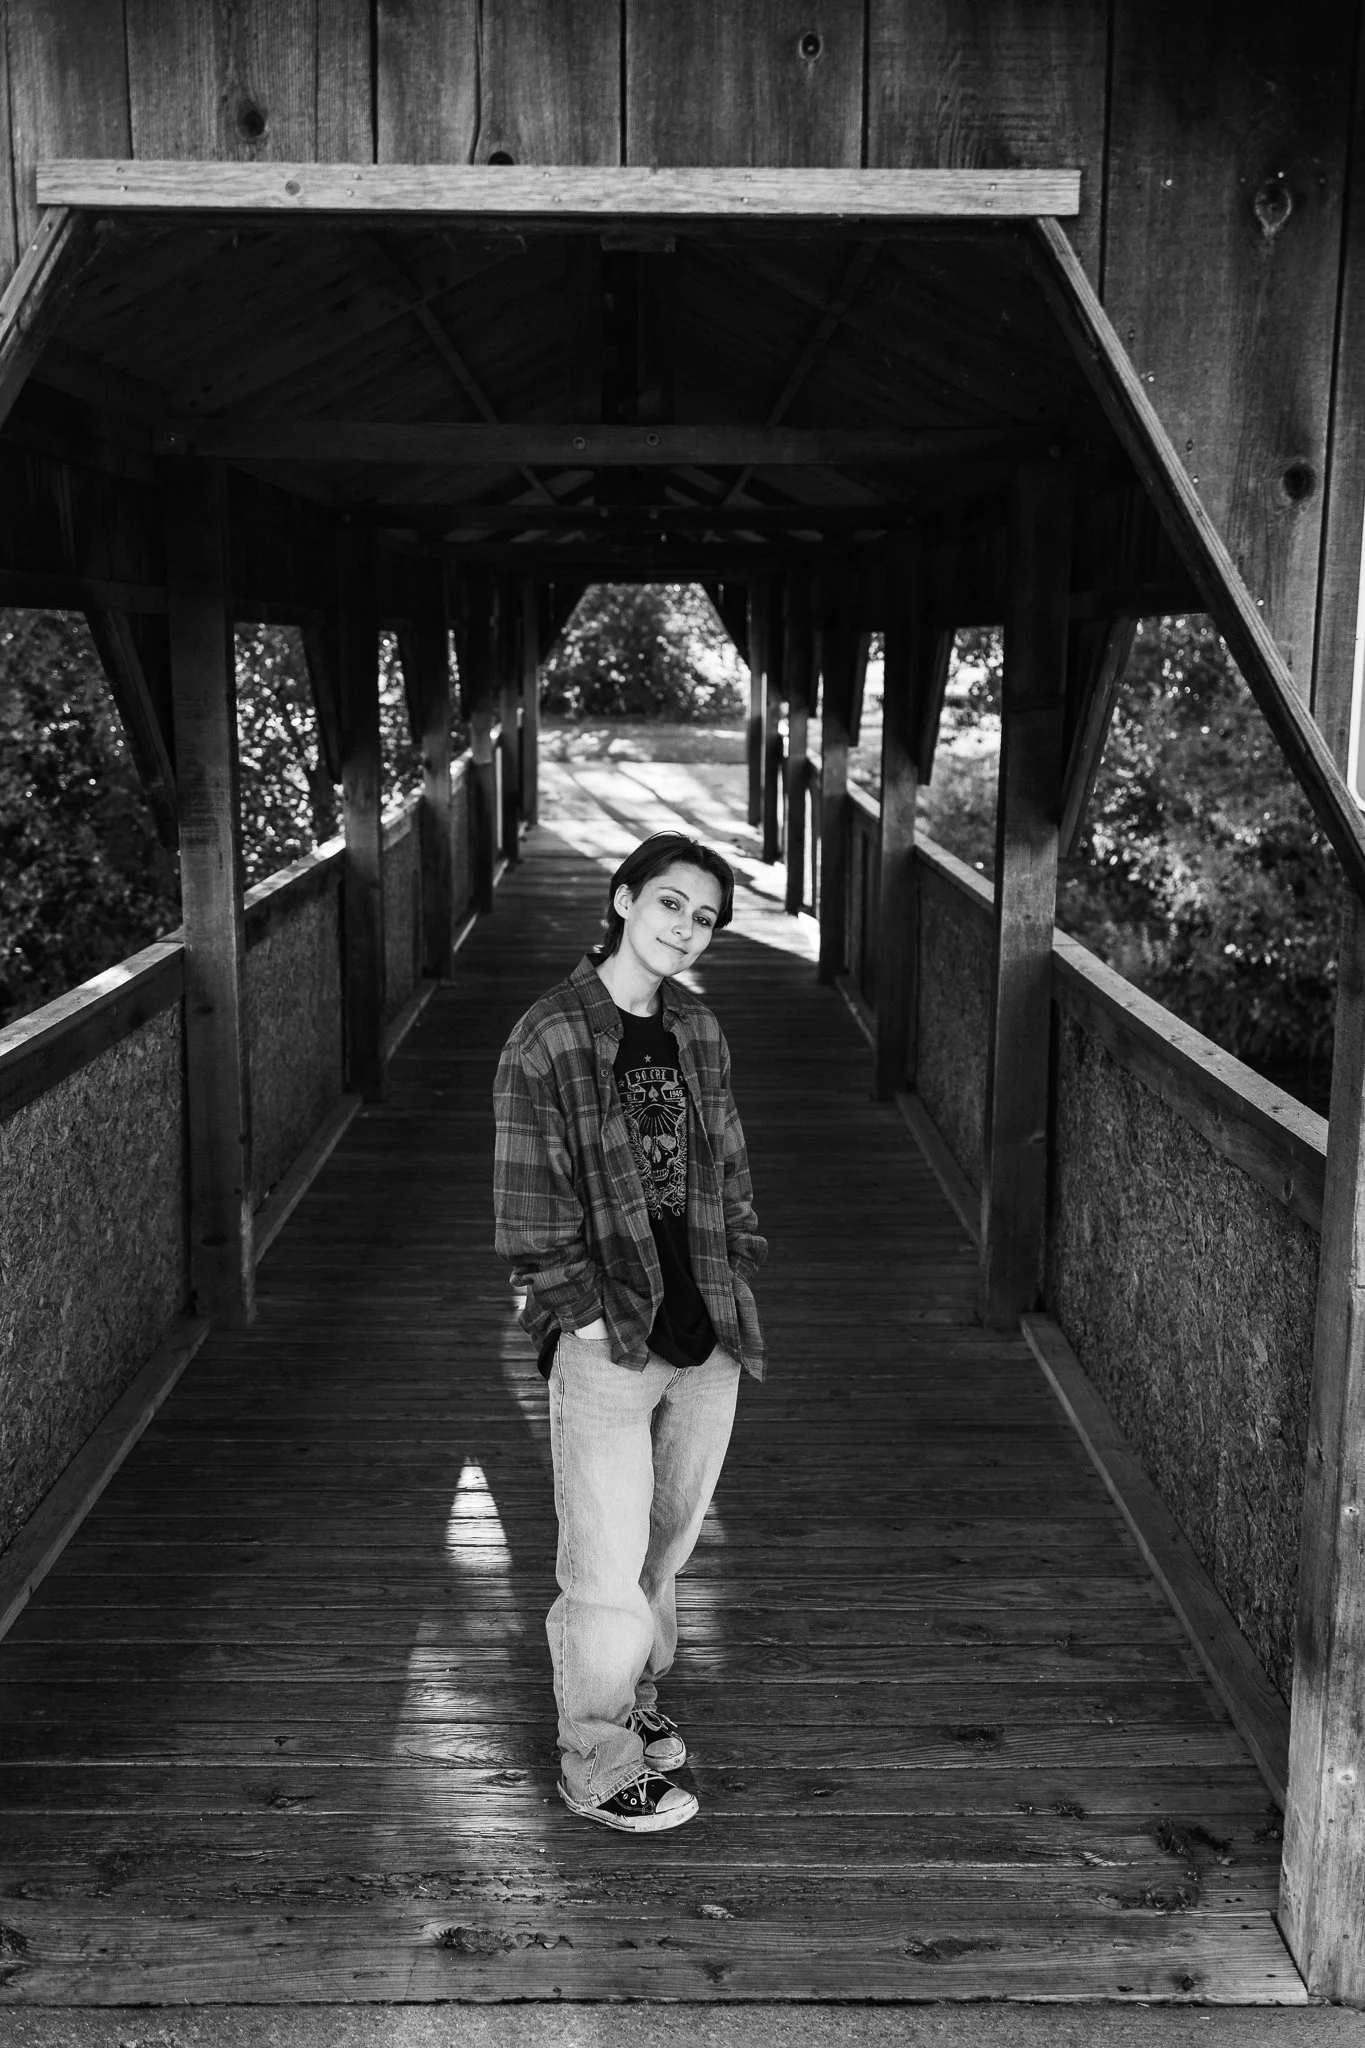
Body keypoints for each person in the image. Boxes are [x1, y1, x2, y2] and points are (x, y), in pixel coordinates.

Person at [493, 831, 767, 1833]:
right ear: (623, 899)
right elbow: (527, 1206)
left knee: (664, 1542)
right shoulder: (548, 1035)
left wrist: (738, 1258)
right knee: (602, 1563)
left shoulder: (698, 1028)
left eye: (705, 917)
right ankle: (597, 1758)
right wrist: (584, 1313)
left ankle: (634, 1694)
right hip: (610, 1333)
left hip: (709, 1326)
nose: (685, 928)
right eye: (670, 902)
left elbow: (727, 1159)